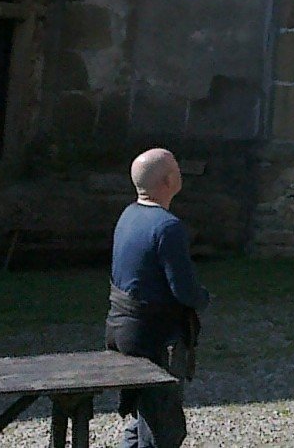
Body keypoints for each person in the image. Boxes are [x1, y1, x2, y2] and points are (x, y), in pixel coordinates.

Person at [106, 148, 210, 448]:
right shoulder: (168, 226)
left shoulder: (129, 215)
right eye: (176, 168)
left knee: (145, 420)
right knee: (163, 430)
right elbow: (185, 291)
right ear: (168, 180)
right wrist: (204, 299)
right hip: (153, 336)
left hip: (122, 329)